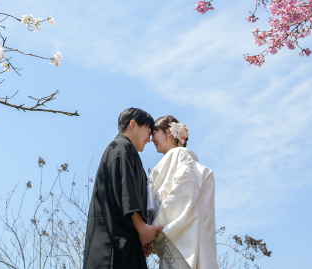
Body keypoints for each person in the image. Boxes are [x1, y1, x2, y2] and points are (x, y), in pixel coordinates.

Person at [83, 108, 164, 269]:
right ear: (133, 124)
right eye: (148, 131)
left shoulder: (127, 151)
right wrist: (142, 229)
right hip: (111, 250)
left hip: (125, 246)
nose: (149, 139)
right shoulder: (120, 148)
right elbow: (125, 193)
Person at [148, 115, 217, 269]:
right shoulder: (174, 157)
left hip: (177, 236)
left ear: (169, 132)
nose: (152, 139)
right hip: (171, 235)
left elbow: (183, 192)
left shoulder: (181, 155)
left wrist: (154, 229)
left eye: (155, 133)